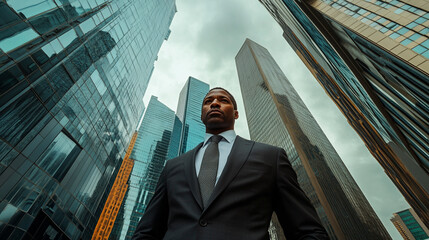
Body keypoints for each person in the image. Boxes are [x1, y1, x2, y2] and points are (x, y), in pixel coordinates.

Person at [132, 87, 329, 240]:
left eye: (223, 100)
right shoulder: (173, 166)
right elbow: (147, 232)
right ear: (202, 115)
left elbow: (307, 230)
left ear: (235, 114)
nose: (214, 103)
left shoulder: (271, 157)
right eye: (208, 101)